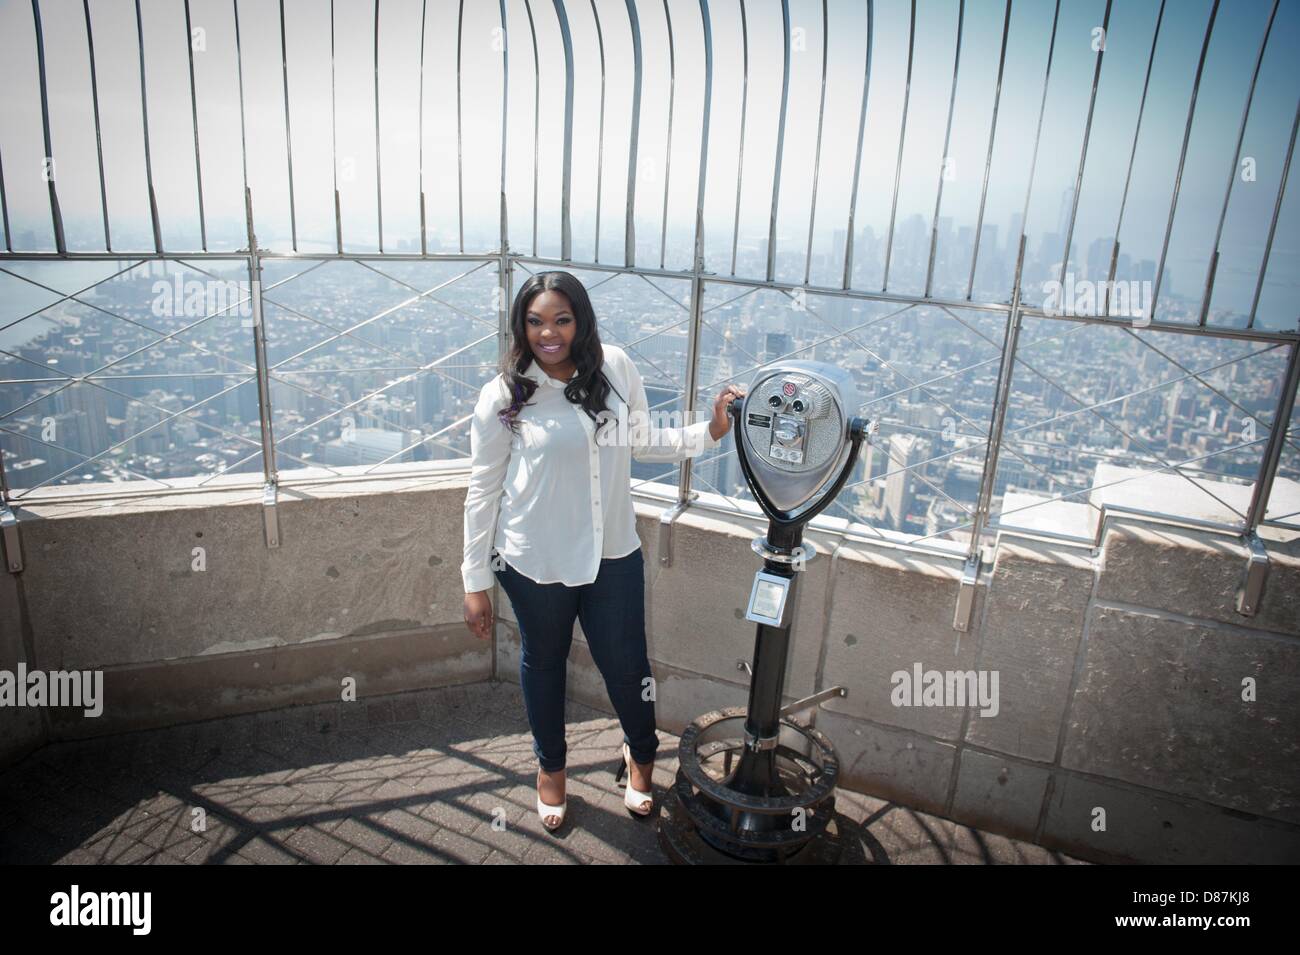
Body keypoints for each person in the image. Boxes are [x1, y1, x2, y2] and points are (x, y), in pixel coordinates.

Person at [460, 270, 744, 832]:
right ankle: (551, 773)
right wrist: (474, 579)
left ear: (580, 320)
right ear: (521, 325)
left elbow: (640, 440)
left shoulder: (614, 367)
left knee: (627, 666)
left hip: (612, 553)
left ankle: (640, 757)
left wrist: (708, 431)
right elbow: (483, 487)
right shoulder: (504, 394)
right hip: (534, 560)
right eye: (536, 321)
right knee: (543, 666)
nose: (549, 333)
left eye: (561, 319)